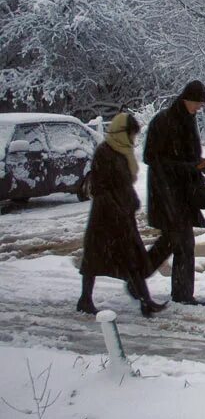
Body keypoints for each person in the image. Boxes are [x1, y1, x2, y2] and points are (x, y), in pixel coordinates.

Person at [77, 113, 167, 318]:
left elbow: (124, 183)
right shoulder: (105, 153)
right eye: (131, 135)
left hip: (122, 214)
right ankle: (85, 299)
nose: (134, 140)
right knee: (95, 259)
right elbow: (101, 187)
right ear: (121, 133)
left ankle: (146, 302)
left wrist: (130, 201)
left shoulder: (121, 152)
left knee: (133, 257)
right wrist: (116, 207)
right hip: (105, 217)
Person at [143, 80, 205, 305]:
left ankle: (136, 276)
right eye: (197, 103)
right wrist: (192, 167)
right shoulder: (164, 121)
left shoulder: (187, 120)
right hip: (166, 193)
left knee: (170, 242)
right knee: (183, 244)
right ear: (186, 99)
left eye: (202, 105)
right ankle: (182, 295)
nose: (199, 108)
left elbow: (186, 157)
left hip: (182, 192)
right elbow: (152, 158)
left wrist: (202, 164)